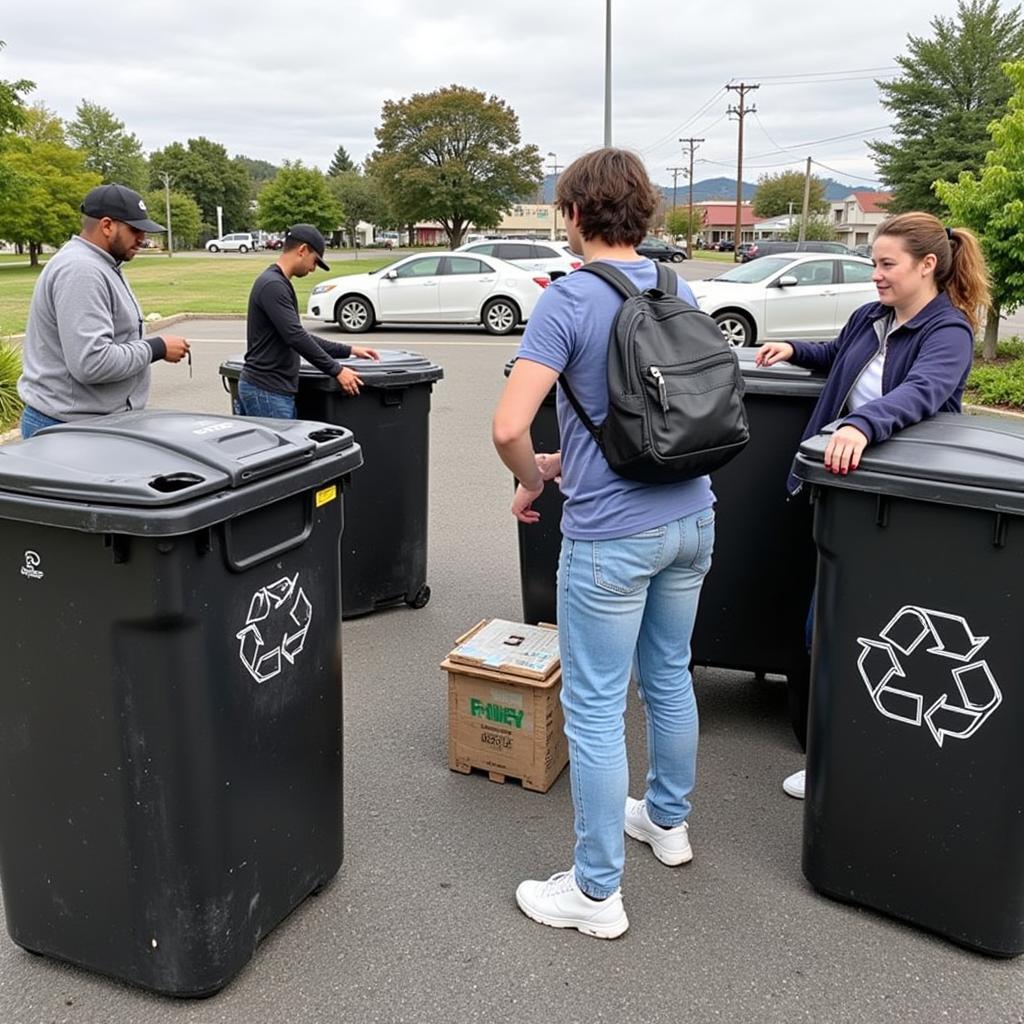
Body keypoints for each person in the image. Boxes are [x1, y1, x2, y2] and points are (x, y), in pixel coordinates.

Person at [492, 148, 716, 939]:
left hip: (613, 534)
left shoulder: (566, 300)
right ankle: (667, 823)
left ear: (574, 214)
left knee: (592, 709)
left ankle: (594, 895)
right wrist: (558, 461)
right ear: (644, 212)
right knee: (668, 676)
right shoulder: (673, 284)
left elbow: (510, 426)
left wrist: (533, 477)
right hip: (692, 513)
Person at [755, 211, 991, 800]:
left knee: (862, 628)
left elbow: (924, 393)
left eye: (887, 265)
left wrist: (863, 424)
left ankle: (855, 758)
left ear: (927, 265)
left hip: (899, 506)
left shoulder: (949, 332)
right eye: (875, 265)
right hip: (843, 492)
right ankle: (830, 756)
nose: (877, 277)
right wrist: (794, 348)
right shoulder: (873, 317)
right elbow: (840, 353)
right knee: (827, 625)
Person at [17, 183, 191, 438]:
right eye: (135, 230)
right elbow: (92, 362)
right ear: (107, 225)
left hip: (90, 424)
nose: (142, 239)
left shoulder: (103, 264)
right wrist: (157, 348)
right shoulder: (81, 270)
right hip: (68, 430)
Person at [236, 223, 378, 418]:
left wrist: (349, 350)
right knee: (281, 448)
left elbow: (297, 335)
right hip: (267, 391)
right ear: (302, 250)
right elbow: (296, 337)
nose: (313, 268)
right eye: (315, 261)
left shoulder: (277, 283)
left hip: (268, 390)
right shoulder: (273, 285)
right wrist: (337, 371)